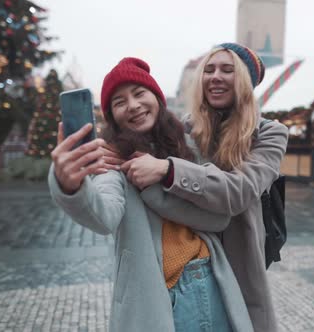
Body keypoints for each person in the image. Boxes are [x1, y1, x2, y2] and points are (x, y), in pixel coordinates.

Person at [49, 57, 253, 332]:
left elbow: (218, 219)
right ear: (112, 116)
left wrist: (162, 177)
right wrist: (70, 186)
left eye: (139, 93)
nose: (133, 105)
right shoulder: (112, 163)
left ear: (157, 98)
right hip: (159, 297)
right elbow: (103, 216)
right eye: (119, 102)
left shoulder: (188, 147)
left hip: (213, 281)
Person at [115, 43, 289, 332]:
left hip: (237, 258)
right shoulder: (185, 128)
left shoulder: (270, 134)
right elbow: (142, 147)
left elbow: (240, 192)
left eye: (227, 70)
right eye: (208, 70)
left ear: (245, 81)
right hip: (186, 266)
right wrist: (113, 152)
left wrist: (168, 169)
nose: (215, 76)